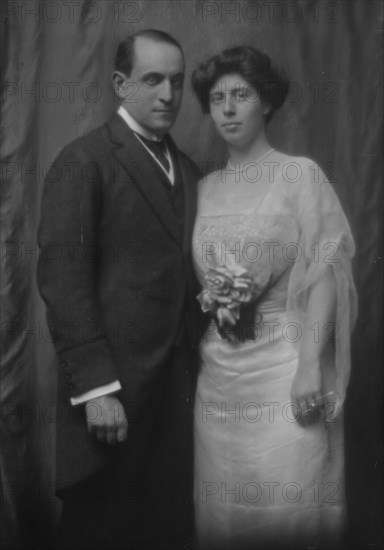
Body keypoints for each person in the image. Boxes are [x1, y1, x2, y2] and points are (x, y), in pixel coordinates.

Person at [37, 29, 201, 550]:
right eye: (152, 80)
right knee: (103, 531)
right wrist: (97, 390)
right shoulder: (83, 161)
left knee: (165, 529)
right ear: (120, 84)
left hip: (178, 392)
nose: (168, 95)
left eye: (176, 82)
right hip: (113, 396)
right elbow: (64, 281)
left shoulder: (192, 171)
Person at [191, 46, 358, 549]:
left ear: (265, 101)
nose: (227, 108)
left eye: (240, 94)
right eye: (217, 98)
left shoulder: (299, 174)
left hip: (285, 368)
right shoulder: (203, 190)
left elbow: (325, 270)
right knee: (224, 510)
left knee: (288, 504)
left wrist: (310, 365)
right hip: (218, 379)